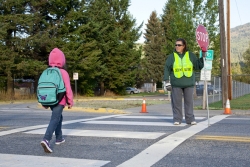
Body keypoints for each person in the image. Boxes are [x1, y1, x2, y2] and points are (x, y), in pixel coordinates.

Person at [163, 38, 204, 125]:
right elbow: (166, 69)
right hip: (176, 84)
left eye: (179, 45)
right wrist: (167, 82)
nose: (177, 46)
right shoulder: (171, 57)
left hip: (189, 83)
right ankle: (177, 119)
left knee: (189, 103)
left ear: (184, 46)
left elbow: (198, 66)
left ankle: (190, 119)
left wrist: (203, 56)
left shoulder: (190, 55)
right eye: (176, 45)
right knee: (176, 103)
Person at [40, 48, 74, 153]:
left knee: (59, 117)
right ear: (62, 60)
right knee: (55, 119)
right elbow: (67, 88)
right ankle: (46, 139)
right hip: (60, 100)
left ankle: (59, 138)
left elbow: (42, 87)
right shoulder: (63, 72)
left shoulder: (47, 72)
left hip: (49, 100)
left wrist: (44, 102)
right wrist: (70, 101)